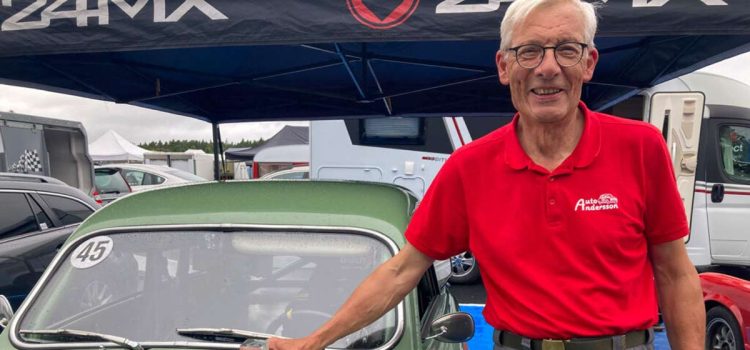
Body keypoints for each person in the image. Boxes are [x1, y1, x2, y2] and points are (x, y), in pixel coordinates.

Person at [268, 1, 704, 349]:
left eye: (566, 50)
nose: (547, 67)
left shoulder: (640, 147)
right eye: (528, 51)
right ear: (504, 67)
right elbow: (402, 271)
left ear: (589, 63)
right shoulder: (469, 167)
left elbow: (675, 273)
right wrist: (314, 342)